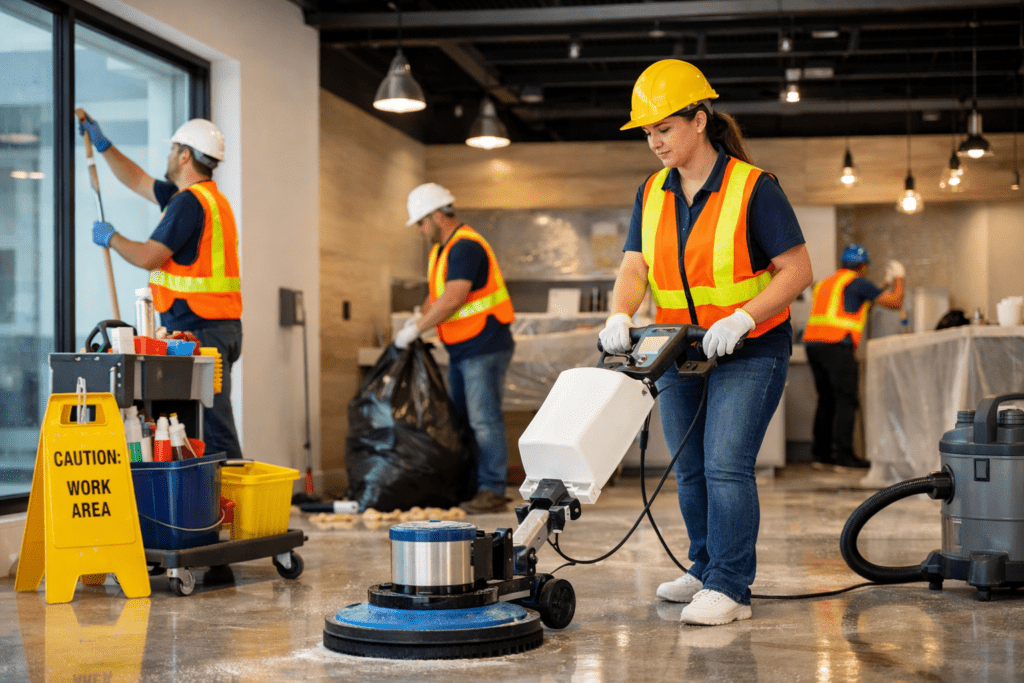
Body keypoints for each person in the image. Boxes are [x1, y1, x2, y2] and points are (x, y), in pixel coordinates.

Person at [600, 60, 812, 626]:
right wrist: (621, 314)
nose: (654, 142)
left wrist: (743, 318)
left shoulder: (753, 187)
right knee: (689, 468)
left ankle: (731, 588)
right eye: (646, 132)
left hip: (750, 349)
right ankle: (704, 566)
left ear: (699, 120)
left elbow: (796, 271)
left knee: (725, 466)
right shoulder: (651, 192)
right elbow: (633, 266)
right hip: (678, 351)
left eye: (663, 128)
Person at [78, 115, 243, 461]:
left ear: (185, 156)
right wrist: (105, 146)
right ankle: (204, 503)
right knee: (194, 424)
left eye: (173, 149)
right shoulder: (206, 199)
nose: (168, 155)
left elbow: (149, 257)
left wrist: (113, 238)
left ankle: (232, 505)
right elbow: (137, 179)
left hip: (201, 329)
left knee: (212, 427)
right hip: (215, 326)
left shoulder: (188, 203)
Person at [394, 183, 516, 515]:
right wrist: (418, 321)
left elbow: (454, 297)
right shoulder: (442, 250)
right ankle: (472, 485)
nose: (420, 230)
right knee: (462, 419)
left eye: (421, 222)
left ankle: (492, 489)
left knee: (483, 420)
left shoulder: (465, 246)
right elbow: (437, 295)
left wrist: (417, 329)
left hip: (485, 345)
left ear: (436, 215)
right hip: (464, 347)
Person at [803, 244, 905, 470]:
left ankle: (820, 456)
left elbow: (859, 304)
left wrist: (883, 285)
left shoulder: (827, 283)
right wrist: (899, 278)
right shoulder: (857, 282)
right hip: (837, 346)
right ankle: (845, 458)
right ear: (863, 266)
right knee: (846, 400)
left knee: (826, 400)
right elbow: (895, 302)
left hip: (813, 346)